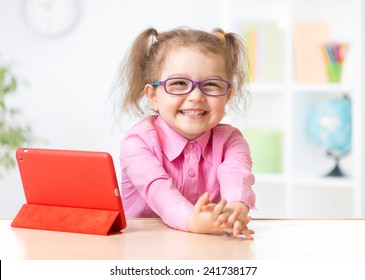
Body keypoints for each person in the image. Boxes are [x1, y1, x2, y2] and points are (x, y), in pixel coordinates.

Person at [115, 27, 256, 238]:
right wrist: (192, 220)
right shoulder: (138, 142)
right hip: (143, 246)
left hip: (206, 247)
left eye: (210, 84)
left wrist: (232, 212)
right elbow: (158, 189)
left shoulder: (231, 141)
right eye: (179, 83)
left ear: (227, 96)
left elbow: (237, 175)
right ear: (153, 96)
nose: (196, 96)